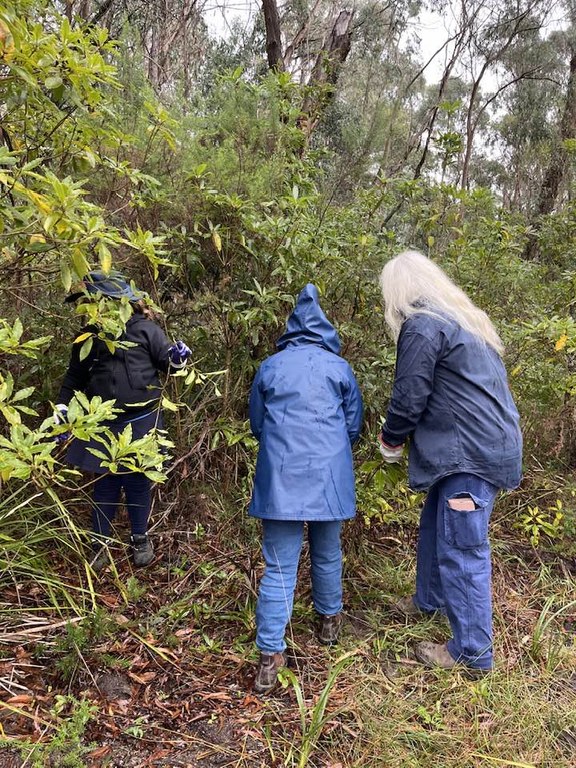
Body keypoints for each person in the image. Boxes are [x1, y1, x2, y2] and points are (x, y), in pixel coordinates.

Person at [378, 250, 522, 673]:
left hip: (469, 456)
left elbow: (409, 396)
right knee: (435, 526)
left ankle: (473, 651)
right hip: (472, 450)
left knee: (462, 548)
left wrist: (390, 441)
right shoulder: (464, 324)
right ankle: (430, 601)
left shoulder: (423, 325)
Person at [248, 283, 363, 694]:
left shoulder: (271, 366)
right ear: (326, 330)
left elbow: (257, 424)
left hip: (281, 480)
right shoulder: (339, 368)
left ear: (291, 328)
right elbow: (354, 426)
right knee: (328, 552)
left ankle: (268, 658)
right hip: (329, 479)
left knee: (279, 567)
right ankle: (329, 624)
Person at [54, 271, 191, 571]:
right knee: (106, 482)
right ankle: (99, 544)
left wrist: (178, 359)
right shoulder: (90, 335)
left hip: (142, 419)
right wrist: (62, 407)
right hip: (103, 422)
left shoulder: (146, 330)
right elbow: (75, 376)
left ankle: (140, 538)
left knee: (138, 480)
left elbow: (168, 364)